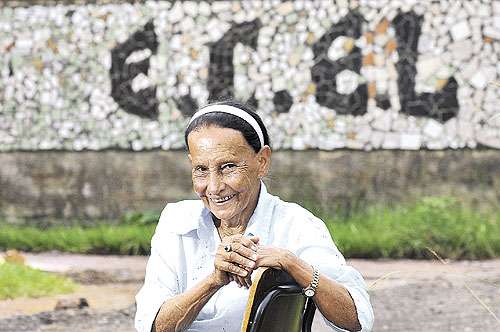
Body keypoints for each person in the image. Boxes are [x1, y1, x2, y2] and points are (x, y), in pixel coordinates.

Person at [135, 100, 374, 332]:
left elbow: (357, 319)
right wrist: (214, 280)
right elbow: (153, 326)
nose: (214, 187)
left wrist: (291, 264)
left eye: (228, 167)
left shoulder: (296, 225)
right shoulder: (176, 221)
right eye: (201, 169)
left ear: (262, 161)